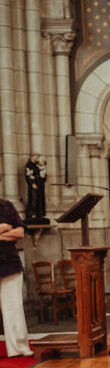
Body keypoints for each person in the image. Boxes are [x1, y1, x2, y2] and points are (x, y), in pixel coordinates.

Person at [0, 199, 31, 357]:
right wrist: (4, 228)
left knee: (14, 307)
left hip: (9, 263)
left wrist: (2, 233)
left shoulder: (7, 206)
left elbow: (20, 232)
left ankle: (18, 348)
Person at [24, 153, 47, 221]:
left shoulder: (38, 165)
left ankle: (40, 214)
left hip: (40, 184)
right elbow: (28, 176)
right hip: (34, 184)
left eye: (38, 157)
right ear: (32, 156)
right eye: (36, 157)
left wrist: (44, 176)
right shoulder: (28, 165)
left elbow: (42, 174)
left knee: (40, 199)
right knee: (33, 199)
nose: (37, 158)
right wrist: (32, 183)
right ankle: (32, 214)